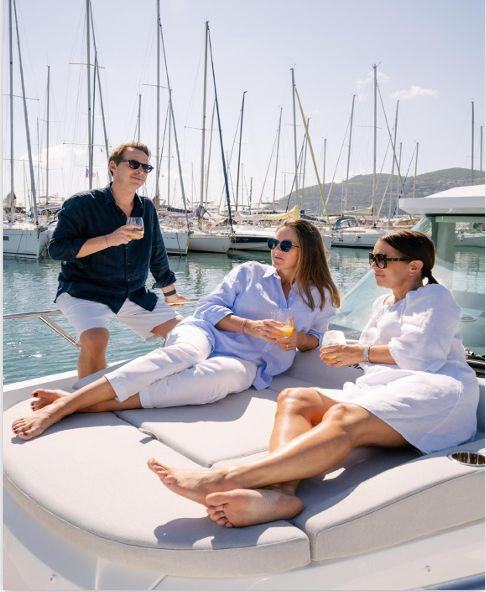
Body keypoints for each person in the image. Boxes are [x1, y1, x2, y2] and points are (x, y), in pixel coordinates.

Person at [142, 230, 479, 528]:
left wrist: (359, 353)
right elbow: (371, 357)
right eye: (372, 258)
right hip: (384, 389)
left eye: (381, 259)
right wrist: (347, 354)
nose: (373, 266)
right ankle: (280, 494)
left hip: (436, 390)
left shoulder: (436, 298)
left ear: (414, 266)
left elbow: (424, 355)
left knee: (342, 415)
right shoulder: (383, 303)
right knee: (295, 397)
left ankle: (223, 479)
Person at [12, 219, 340, 439]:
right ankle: (63, 407)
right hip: (207, 333)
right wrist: (248, 326)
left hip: (250, 363)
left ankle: (80, 402)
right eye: (273, 243)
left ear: (307, 251)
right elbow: (207, 308)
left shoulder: (321, 296)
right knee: (184, 353)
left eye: (285, 246)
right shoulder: (249, 272)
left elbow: (315, 339)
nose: (275, 250)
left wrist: (296, 340)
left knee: (217, 380)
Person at [48, 141, 189, 379]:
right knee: (95, 339)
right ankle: (88, 397)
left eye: (146, 167)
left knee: (184, 332)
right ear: (113, 166)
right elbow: (57, 249)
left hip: (132, 293)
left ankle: (154, 388)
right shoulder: (82, 203)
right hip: (85, 290)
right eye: (134, 164)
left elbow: (156, 251)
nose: (140, 171)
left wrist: (170, 293)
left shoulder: (146, 208)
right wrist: (108, 240)